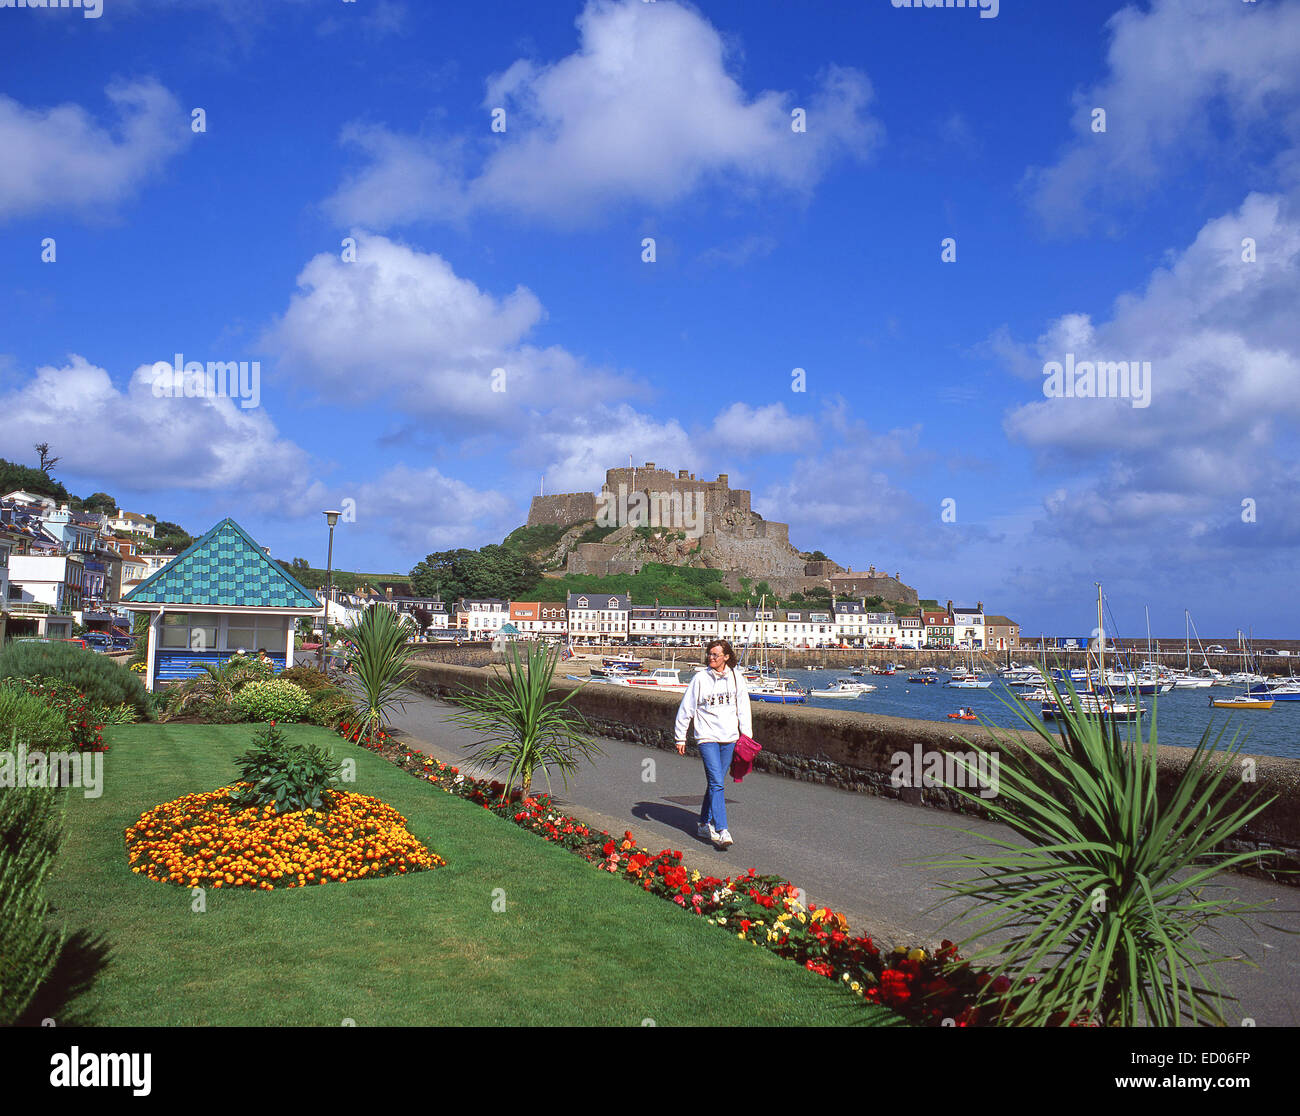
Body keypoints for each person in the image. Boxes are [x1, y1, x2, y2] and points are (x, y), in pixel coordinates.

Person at [674, 639, 752, 850]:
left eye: (715, 655)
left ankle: (702, 823)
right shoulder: (700, 678)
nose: (711, 658)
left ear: (726, 657)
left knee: (714, 781)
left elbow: (743, 708)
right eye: (709, 654)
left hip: (729, 736)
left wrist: (747, 737)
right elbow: (686, 708)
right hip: (706, 736)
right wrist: (680, 737)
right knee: (717, 782)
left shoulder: (737, 677)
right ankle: (722, 829)